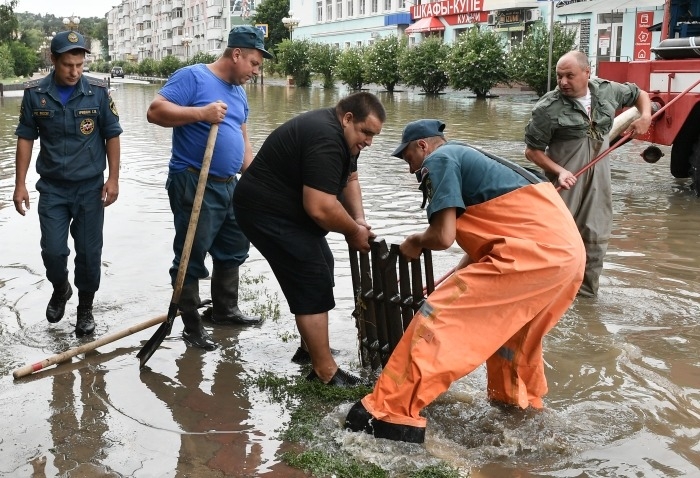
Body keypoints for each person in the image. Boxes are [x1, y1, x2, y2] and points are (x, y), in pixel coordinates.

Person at [344, 119, 586, 443]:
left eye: (408, 159)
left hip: (531, 257)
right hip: (566, 258)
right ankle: (518, 413)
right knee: (513, 343)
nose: (410, 169)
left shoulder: (439, 159)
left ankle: (388, 413)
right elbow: (493, 237)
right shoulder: (473, 159)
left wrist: (415, 241)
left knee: (437, 320)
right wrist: (454, 278)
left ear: (422, 146)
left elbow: (443, 236)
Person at [233, 92, 386, 386]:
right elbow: (320, 207)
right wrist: (353, 233)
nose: (369, 141)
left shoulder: (343, 138)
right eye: (366, 132)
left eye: (374, 135)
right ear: (348, 119)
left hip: (283, 210)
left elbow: (350, 179)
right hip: (265, 212)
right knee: (310, 273)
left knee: (322, 262)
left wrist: (359, 220)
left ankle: (310, 349)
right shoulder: (326, 139)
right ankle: (325, 372)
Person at [146, 25, 272, 351]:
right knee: (191, 255)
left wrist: (258, 181)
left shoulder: (239, 93)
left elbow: (243, 142)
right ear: (236, 54)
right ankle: (191, 326)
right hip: (193, 181)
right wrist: (201, 113)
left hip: (231, 185)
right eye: (254, 64)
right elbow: (155, 111)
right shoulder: (193, 77)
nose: (256, 71)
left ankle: (225, 311)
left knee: (232, 249)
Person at [12, 31, 122, 337]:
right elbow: (25, 137)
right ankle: (61, 288)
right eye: (68, 65)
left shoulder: (98, 92)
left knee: (88, 253)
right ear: (53, 60)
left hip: (89, 188)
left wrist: (113, 178)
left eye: (80, 64)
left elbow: (112, 134)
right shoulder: (35, 94)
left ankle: (85, 308)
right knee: (53, 251)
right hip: (52, 188)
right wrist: (20, 184)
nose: (75, 71)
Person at [524, 50, 652, 297]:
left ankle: (585, 302)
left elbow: (639, 94)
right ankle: (545, 299)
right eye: (560, 76)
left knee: (595, 240)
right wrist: (560, 171)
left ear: (587, 72)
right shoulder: (546, 109)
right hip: (566, 182)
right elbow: (532, 152)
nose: (563, 82)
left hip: (599, 181)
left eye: (569, 76)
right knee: (555, 242)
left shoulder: (607, 91)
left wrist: (645, 116)